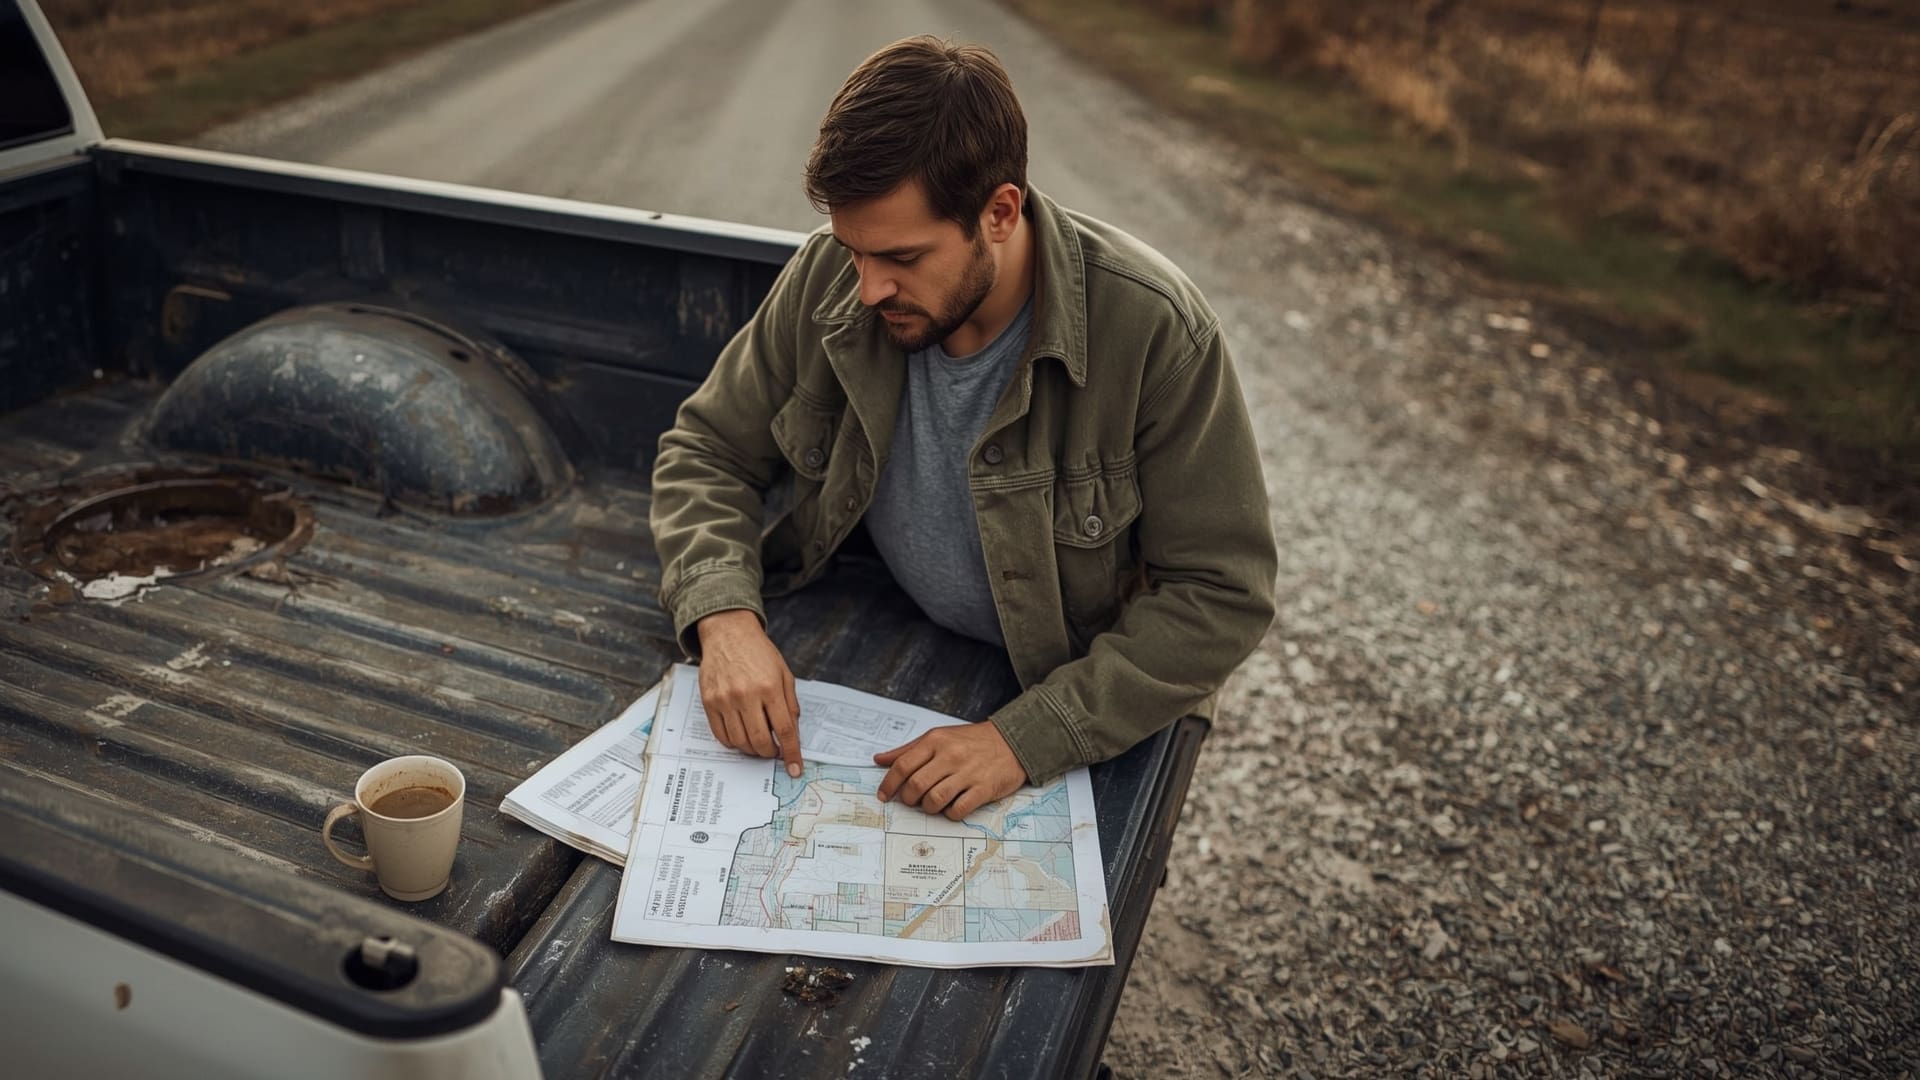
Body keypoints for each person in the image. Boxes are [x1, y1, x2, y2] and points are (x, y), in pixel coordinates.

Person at [649, 36, 1277, 821]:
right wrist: (726, 620)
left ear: (1001, 212)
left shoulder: (1155, 331)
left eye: (902, 257)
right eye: (852, 251)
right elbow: (706, 449)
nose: (868, 287)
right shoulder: (833, 278)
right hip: (881, 620)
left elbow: (1222, 595)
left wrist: (1024, 740)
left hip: (1068, 684)